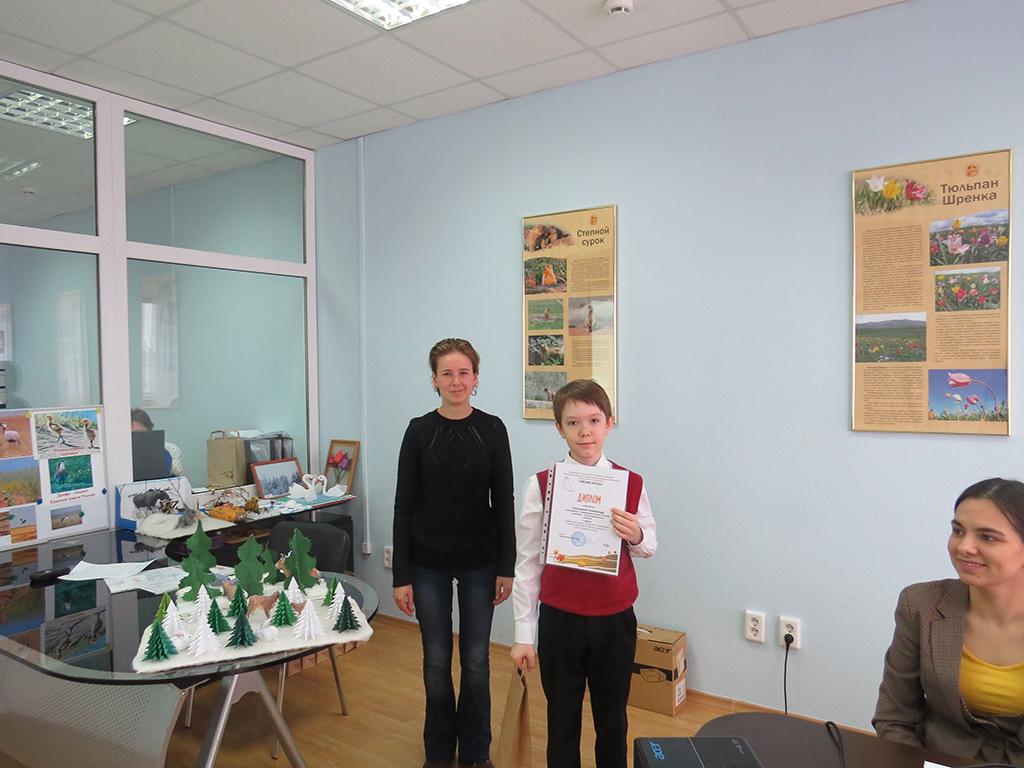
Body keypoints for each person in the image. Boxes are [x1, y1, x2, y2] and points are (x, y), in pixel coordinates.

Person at [510, 379, 657, 768]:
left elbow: (648, 546)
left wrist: (636, 534)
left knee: (612, 719)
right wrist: (524, 635)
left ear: (609, 423)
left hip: (615, 620)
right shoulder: (541, 485)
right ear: (560, 428)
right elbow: (527, 563)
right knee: (561, 719)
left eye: (593, 420)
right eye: (573, 423)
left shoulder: (630, 483)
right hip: (560, 621)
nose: (585, 431)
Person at [392, 338, 515, 768]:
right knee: (436, 660)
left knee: (477, 661)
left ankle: (476, 753)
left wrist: (507, 567)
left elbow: (504, 501)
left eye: (464, 372)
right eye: (447, 373)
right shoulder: (418, 431)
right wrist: (401, 575)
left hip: (482, 561)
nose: (456, 381)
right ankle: (439, 751)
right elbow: (404, 504)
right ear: (434, 380)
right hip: (427, 564)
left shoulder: (493, 429)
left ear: (475, 378)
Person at [874, 477, 1024, 765]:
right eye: (958, 531)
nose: (964, 547)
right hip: (935, 759)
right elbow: (895, 717)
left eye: (988, 537)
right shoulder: (921, 603)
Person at [130, 408, 183, 477]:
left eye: (139, 433)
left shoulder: (161, 454)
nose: (135, 438)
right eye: (131, 434)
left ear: (149, 431)